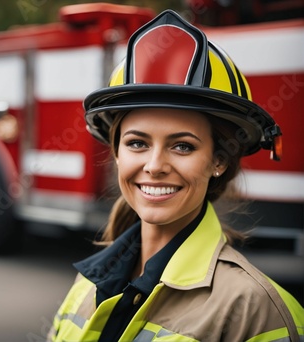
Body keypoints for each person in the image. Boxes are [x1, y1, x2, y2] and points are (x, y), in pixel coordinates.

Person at [48, 9, 304, 342]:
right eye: (137, 143)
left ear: (219, 161)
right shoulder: (85, 284)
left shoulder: (257, 311)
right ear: (116, 153)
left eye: (182, 146)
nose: (154, 166)